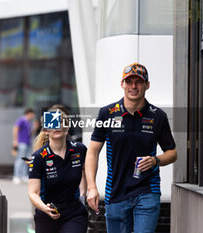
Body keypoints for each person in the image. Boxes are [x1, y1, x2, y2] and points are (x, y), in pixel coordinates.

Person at [86, 63, 177, 233]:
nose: (133, 86)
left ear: (147, 85)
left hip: (147, 191)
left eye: (139, 82)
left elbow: (172, 153)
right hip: (116, 192)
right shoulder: (107, 113)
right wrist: (91, 187)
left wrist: (155, 160)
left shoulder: (158, 116)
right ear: (122, 84)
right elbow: (92, 152)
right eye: (129, 82)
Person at [28, 106, 88, 233]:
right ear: (45, 130)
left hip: (74, 212)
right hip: (47, 213)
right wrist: (45, 208)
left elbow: (84, 171)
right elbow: (33, 193)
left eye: (61, 122)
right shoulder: (39, 157)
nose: (57, 126)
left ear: (66, 127)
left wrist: (83, 195)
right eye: (52, 123)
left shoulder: (80, 149)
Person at [12, 108, 35, 184]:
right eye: (32, 114)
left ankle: (23, 176)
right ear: (29, 113)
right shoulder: (21, 120)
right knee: (20, 159)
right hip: (22, 142)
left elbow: (30, 133)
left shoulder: (29, 122)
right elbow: (15, 129)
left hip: (28, 143)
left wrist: (35, 128)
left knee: (26, 160)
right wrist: (15, 140)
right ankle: (16, 176)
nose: (33, 116)